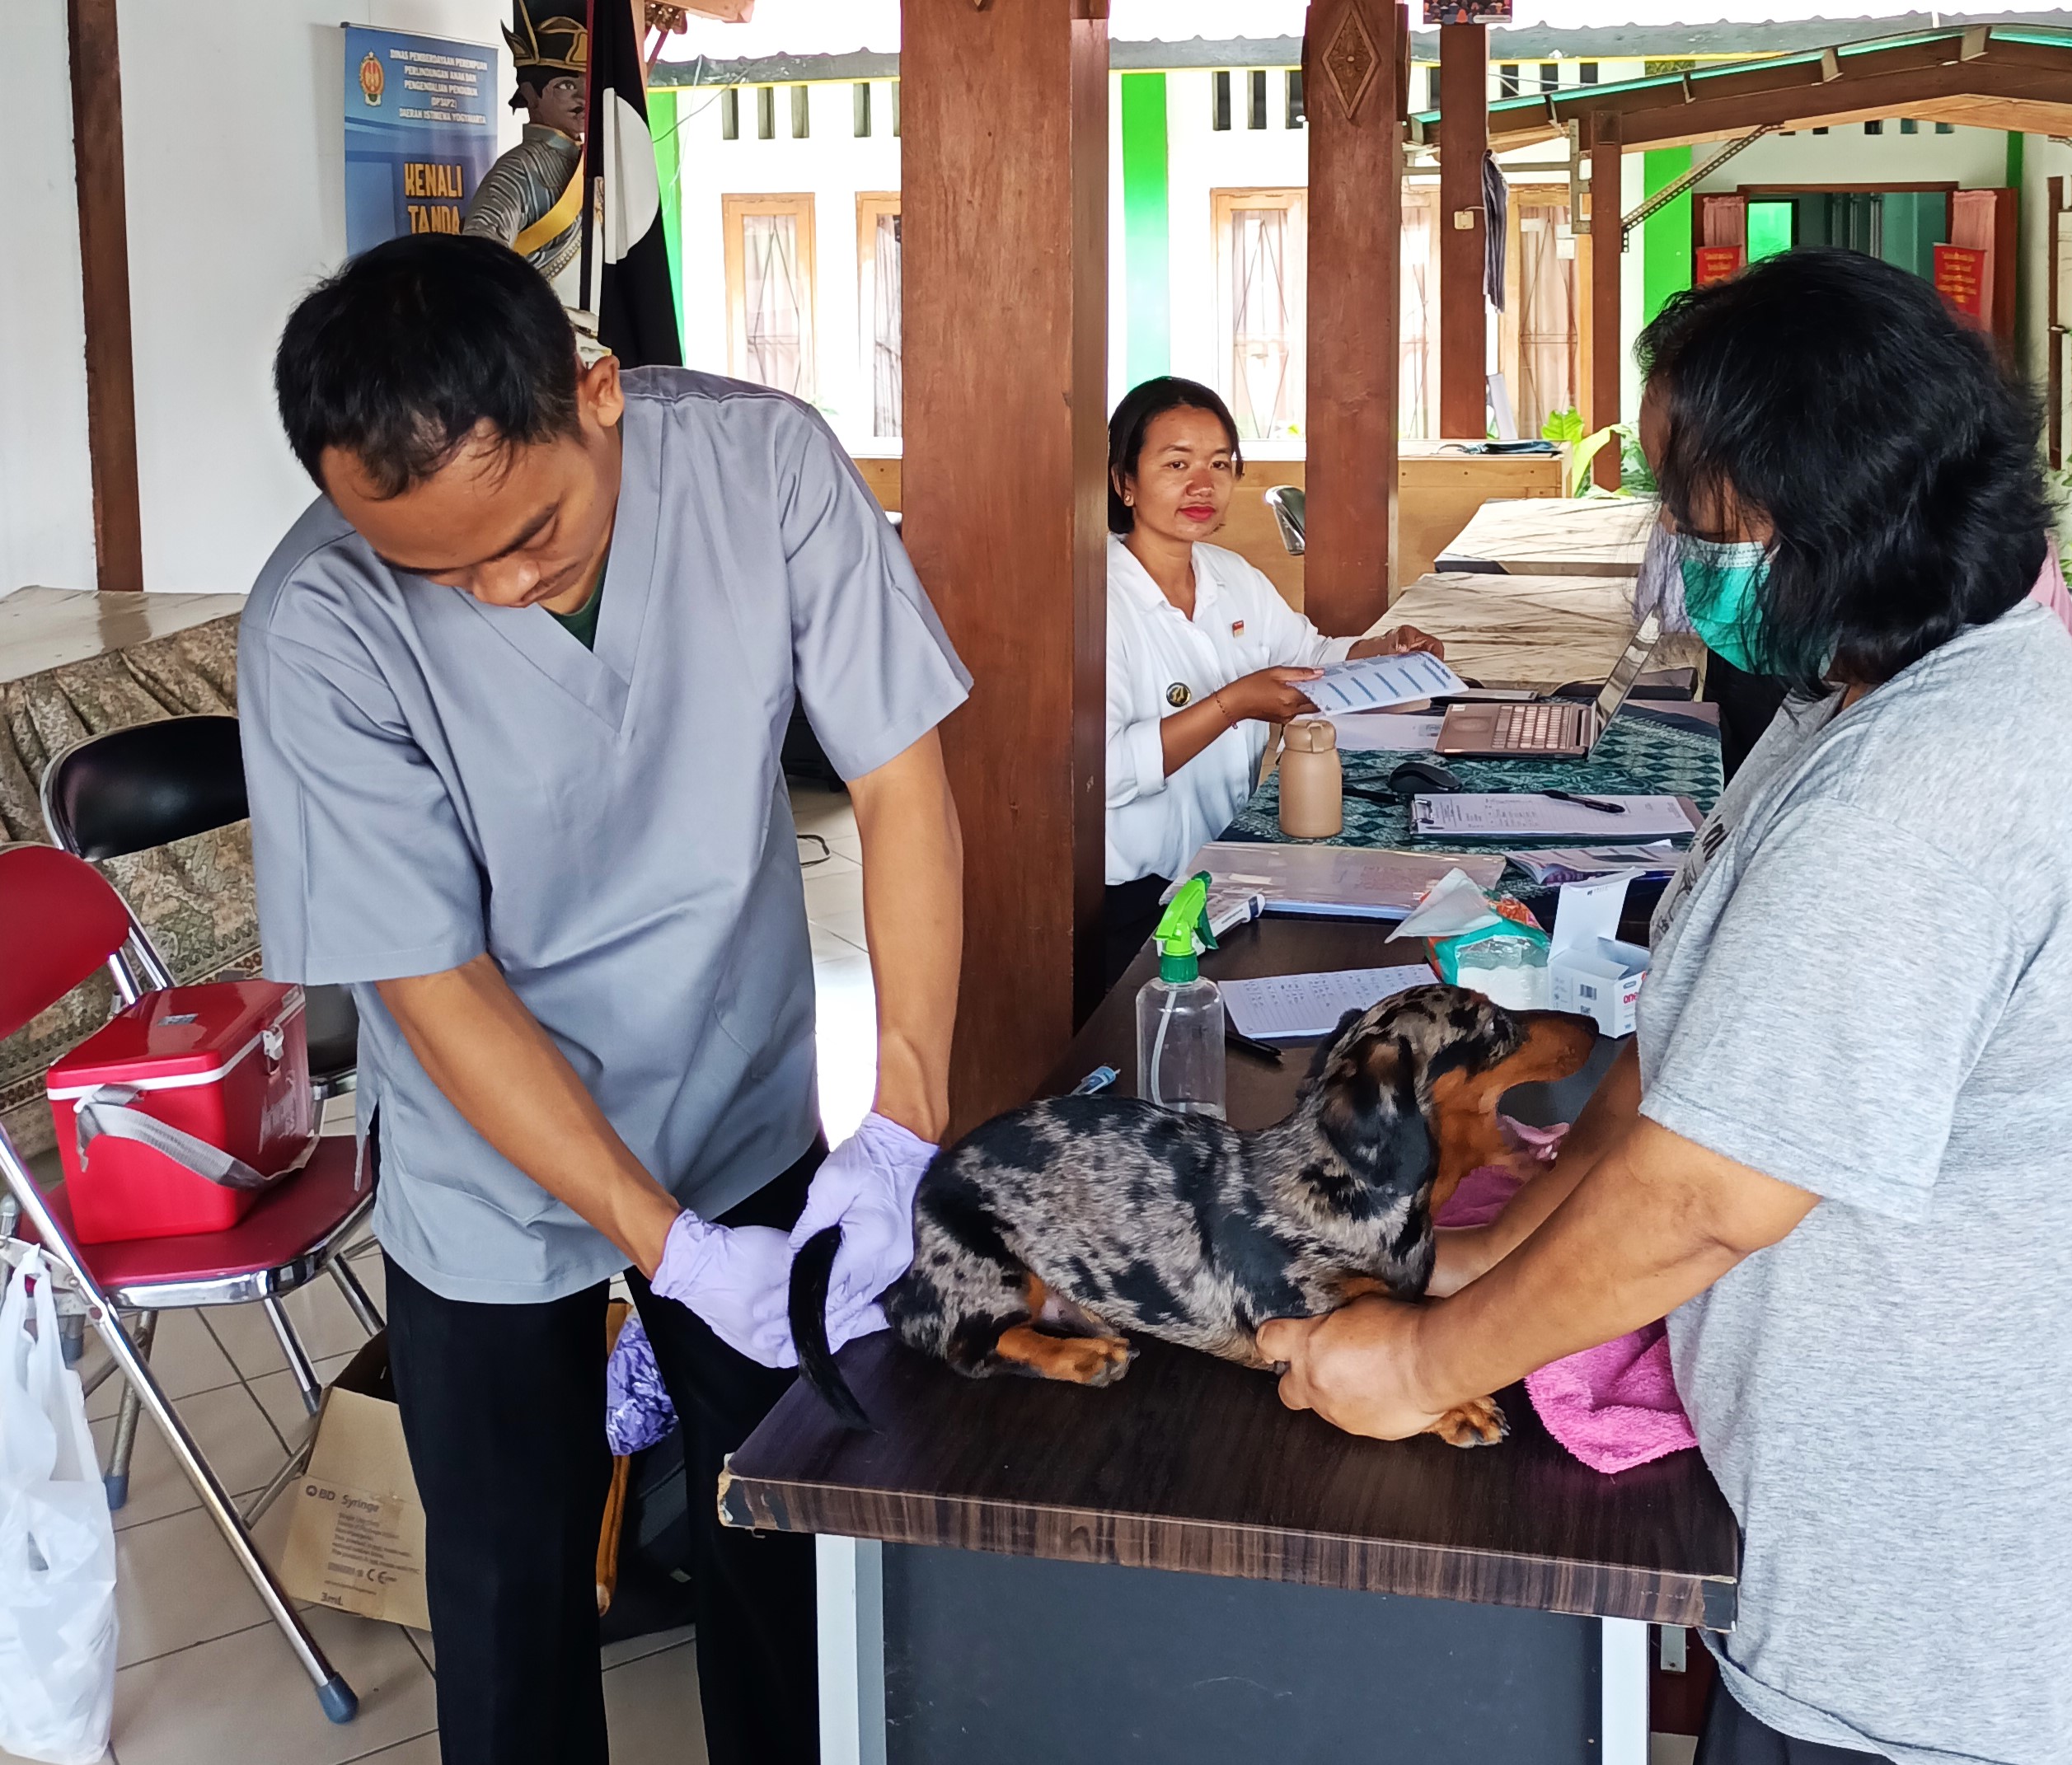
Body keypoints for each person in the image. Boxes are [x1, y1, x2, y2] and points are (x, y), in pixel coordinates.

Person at [1261, 250, 2072, 1765]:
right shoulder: (1863, 696)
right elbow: (1695, 1052)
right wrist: (1497, 1248)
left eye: (1692, 512)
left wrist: (1425, 1367)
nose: (1671, 547)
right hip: (1866, 1517)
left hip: (1936, 1607)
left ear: (1821, 513)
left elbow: (1708, 1194)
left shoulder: (1927, 795)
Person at [245, 233, 969, 1765]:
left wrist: (902, 1121)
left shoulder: (763, 468)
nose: (500, 589)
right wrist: (664, 1247)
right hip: (490, 1162)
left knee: (785, 1527)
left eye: (531, 534)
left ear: (595, 391)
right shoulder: (316, 621)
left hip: (735, 1092)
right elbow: (431, 978)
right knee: (509, 1587)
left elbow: (900, 779)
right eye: (440, 570)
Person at [1102, 377, 1443, 975]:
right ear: (1123, 481)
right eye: (1176, 464)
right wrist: (1232, 705)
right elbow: (1102, 773)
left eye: (1219, 464)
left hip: (1223, 873)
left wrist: (1386, 651)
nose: (1202, 485)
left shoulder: (1231, 575)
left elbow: (1312, 654)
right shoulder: (1097, 599)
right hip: (1131, 901)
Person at [461, 1, 588, 295]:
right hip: (541, 320)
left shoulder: (595, 162)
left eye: (587, 82)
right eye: (566, 86)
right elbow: (479, 263)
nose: (583, 96)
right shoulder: (517, 170)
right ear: (530, 95)